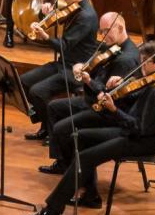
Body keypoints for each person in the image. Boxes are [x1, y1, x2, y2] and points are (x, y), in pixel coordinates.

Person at [24, 40, 155, 215]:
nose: (141, 64)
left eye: (145, 61)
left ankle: (52, 211)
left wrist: (113, 110)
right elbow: (134, 98)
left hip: (141, 140)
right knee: (78, 138)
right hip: (131, 131)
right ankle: (90, 196)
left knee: (85, 158)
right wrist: (120, 85)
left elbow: (138, 128)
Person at [39, 12, 139, 166]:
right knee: (53, 108)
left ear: (120, 28)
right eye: (101, 31)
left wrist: (89, 80)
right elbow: (95, 63)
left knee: (60, 127)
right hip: (91, 100)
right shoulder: (114, 47)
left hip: (104, 111)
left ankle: (66, 164)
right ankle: (63, 161)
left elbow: (108, 95)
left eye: (107, 31)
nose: (103, 36)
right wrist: (81, 65)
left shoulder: (125, 59)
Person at [17, 0, 99, 133]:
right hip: (62, 63)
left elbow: (64, 45)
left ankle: (52, 129)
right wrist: (43, 13)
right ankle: (47, 124)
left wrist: (46, 37)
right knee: (23, 82)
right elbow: (52, 21)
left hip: (76, 69)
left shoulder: (86, 17)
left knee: (37, 92)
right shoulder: (73, 7)